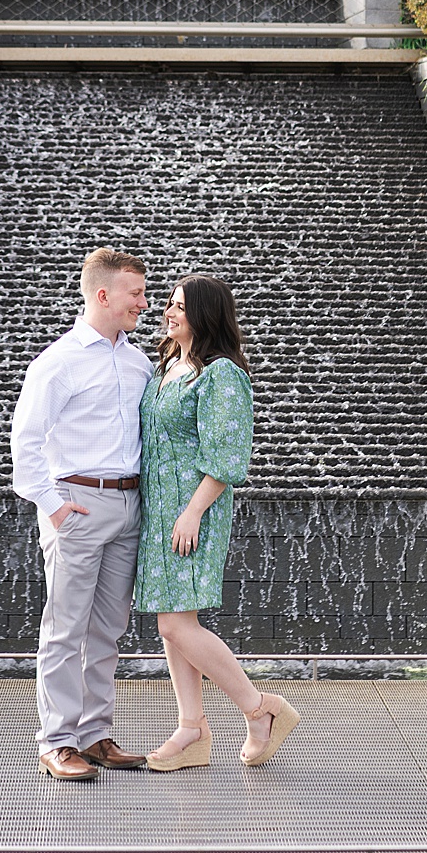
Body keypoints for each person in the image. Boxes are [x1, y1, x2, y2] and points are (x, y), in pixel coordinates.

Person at [136, 274, 300, 771]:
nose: (168, 311)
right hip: (160, 512)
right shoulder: (167, 366)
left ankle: (259, 709)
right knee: (173, 626)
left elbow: (228, 458)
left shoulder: (221, 374)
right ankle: (192, 731)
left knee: (175, 622)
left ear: (205, 315)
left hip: (194, 512)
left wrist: (192, 512)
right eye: (168, 302)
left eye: (180, 306)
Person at [10, 247, 153, 781]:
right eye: (135, 293)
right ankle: (56, 741)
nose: (144, 302)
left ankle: (94, 735)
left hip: (128, 504)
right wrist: (52, 506)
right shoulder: (58, 361)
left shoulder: (138, 361)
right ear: (103, 295)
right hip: (78, 504)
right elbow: (25, 440)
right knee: (65, 629)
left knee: (108, 629)